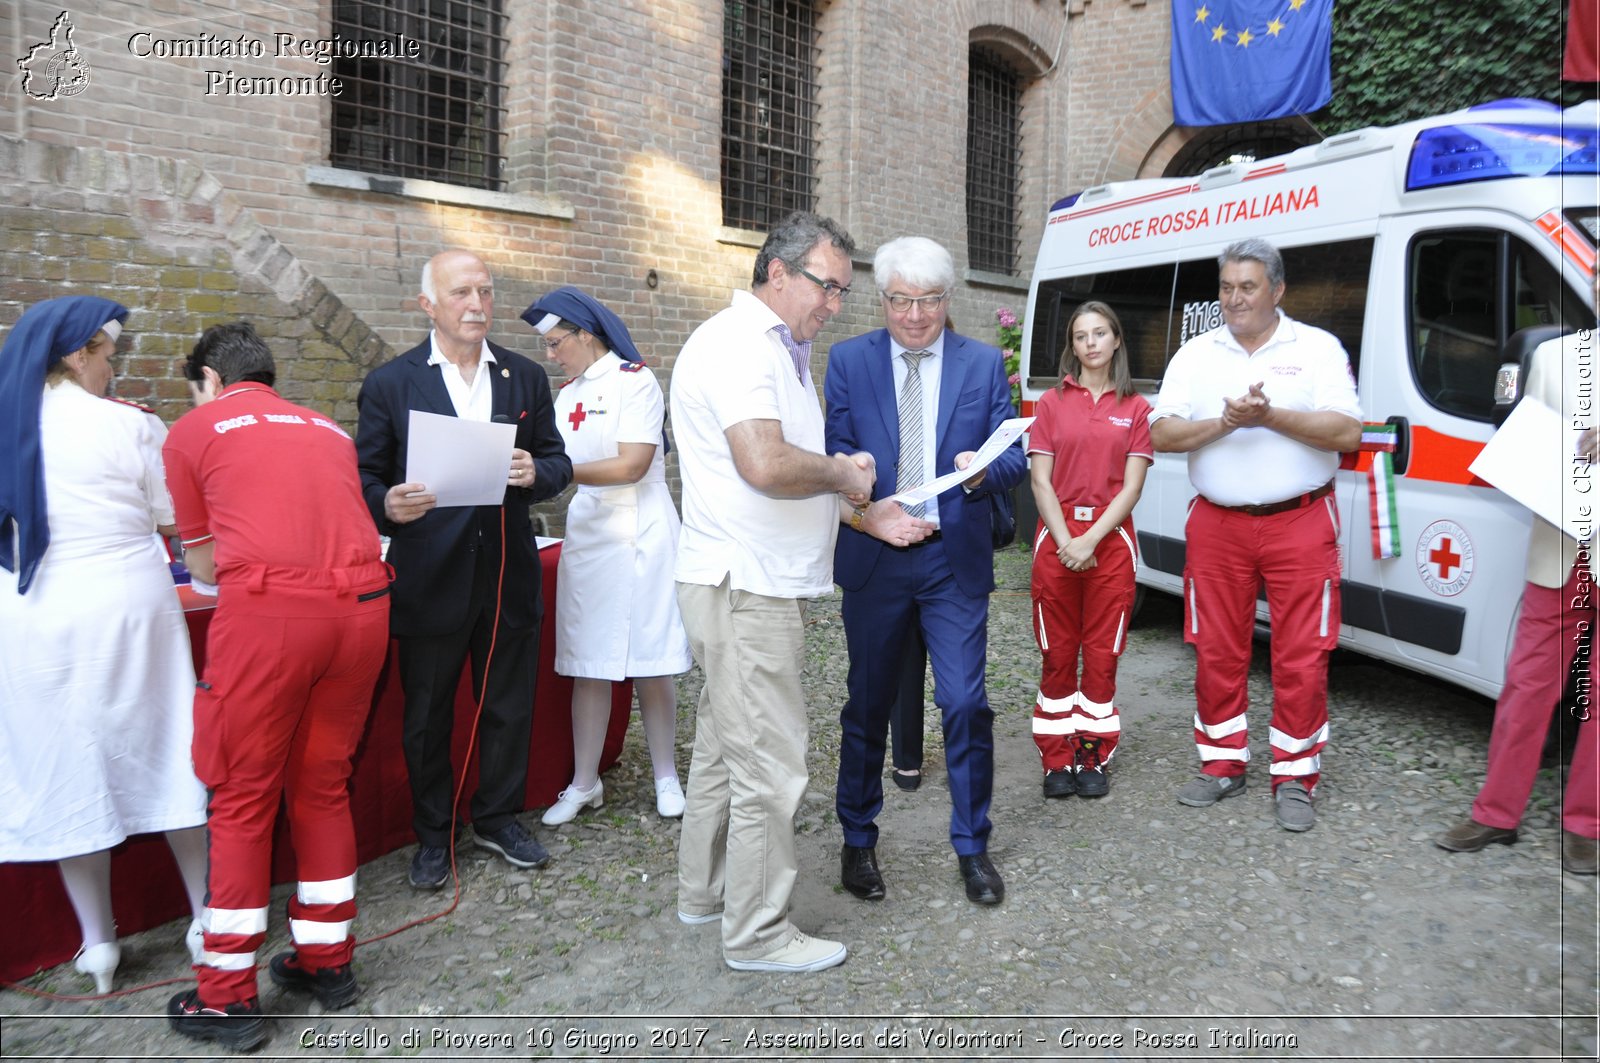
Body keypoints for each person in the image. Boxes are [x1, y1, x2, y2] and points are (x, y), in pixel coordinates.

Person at [672, 211, 930, 973]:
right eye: (828, 286)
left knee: (724, 747)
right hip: (744, 587)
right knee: (771, 766)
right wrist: (845, 474)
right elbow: (766, 463)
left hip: (747, 581)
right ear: (777, 272)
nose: (835, 305)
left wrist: (863, 512)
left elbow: (784, 470)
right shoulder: (742, 344)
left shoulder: (779, 350)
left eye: (845, 292)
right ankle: (756, 932)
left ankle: (707, 890)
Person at [160, 322, 391, 1051]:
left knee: (240, 794)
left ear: (208, 378)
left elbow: (201, 566)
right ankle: (328, 961)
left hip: (273, 619)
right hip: (362, 613)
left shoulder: (194, 429)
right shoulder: (326, 428)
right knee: (322, 784)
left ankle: (226, 994)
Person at [0, 296, 208, 995]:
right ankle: (207, 912)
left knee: (70, 761)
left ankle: (98, 942)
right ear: (75, 354)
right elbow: (173, 514)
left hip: (32, 610)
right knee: (170, 743)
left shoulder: (7, 424)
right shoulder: (130, 425)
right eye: (108, 355)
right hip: (124, 601)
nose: (112, 368)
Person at [356, 250, 573, 890]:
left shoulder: (524, 377)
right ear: (429, 305)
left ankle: (497, 816)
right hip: (429, 575)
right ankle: (432, 834)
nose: (477, 304)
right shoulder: (391, 384)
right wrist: (385, 505)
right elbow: (366, 476)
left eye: (485, 291)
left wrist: (538, 473)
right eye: (461, 294)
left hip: (507, 570)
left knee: (507, 704)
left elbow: (557, 460)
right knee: (427, 715)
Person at [826, 235, 1026, 907]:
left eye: (930, 301)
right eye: (902, 300)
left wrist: (977, 471)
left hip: (951, 556)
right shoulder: (850, 361)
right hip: (877, 555)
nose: (916, 315)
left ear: (948, 299)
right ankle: (858, 838)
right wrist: (858, 488)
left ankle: (973, 846)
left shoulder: (980, 364)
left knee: (966, 702)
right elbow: (832, 449)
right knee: (868, 703)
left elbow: (1012, 458)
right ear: (881, 298)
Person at [1150, 238, 1361, 832]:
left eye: (1248, 286)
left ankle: (1295, 776)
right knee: (1217, 648)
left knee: (1301, 654)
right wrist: (1225, 423)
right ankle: (1222, 763)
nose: (1235, 298)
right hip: (1218, 523)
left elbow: (1346, 432)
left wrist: (1270, 416)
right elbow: (1161, 434)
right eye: (1226, 287)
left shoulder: (1318, 348)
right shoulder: (1195, 354)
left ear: (1278, 290)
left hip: (1300, 520)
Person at [519, 286, 691, 825]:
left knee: (651, 659)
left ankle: (666, 774)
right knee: (588, 661)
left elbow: (633, 463)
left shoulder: (634, 382)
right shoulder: (565, 395)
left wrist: (558, 472)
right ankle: (584, 781)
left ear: (584, 335)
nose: (551, 354)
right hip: (591, 534)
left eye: (555, 343)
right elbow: (552, 463)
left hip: (643, 533)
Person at [1435, 324, 1599, 875]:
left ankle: (1587, 826)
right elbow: (1522, 440)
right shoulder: (1552, 358)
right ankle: (1496, 813)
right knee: (1528, 684)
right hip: (1558, 547)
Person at [1027, 300, 1153, 800]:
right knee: (1058, 654)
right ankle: (1056, 758)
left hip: (1110, 543)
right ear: (1072, 346)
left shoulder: (1137, 408)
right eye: (1081, 336)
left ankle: (1092, 754)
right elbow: (1040, 480)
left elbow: (1131, 488)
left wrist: (1090, 540)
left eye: (1100, 333)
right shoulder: (1052, 403)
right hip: (1056, 541)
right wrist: (1066, 542)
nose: (1091, 343)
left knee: (1102, 655)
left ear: (1116, 340)